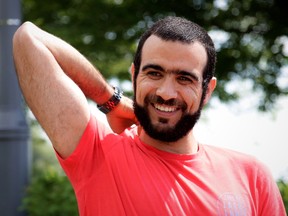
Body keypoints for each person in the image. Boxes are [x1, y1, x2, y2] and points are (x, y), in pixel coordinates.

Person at [13, 16, 286, 215]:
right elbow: (28, 39)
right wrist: (112, 100)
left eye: (184, 78)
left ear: (207, 90)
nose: (166, 92)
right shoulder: (98, 154)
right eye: (154, 73)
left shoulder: (252, 176)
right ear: (134, 76)